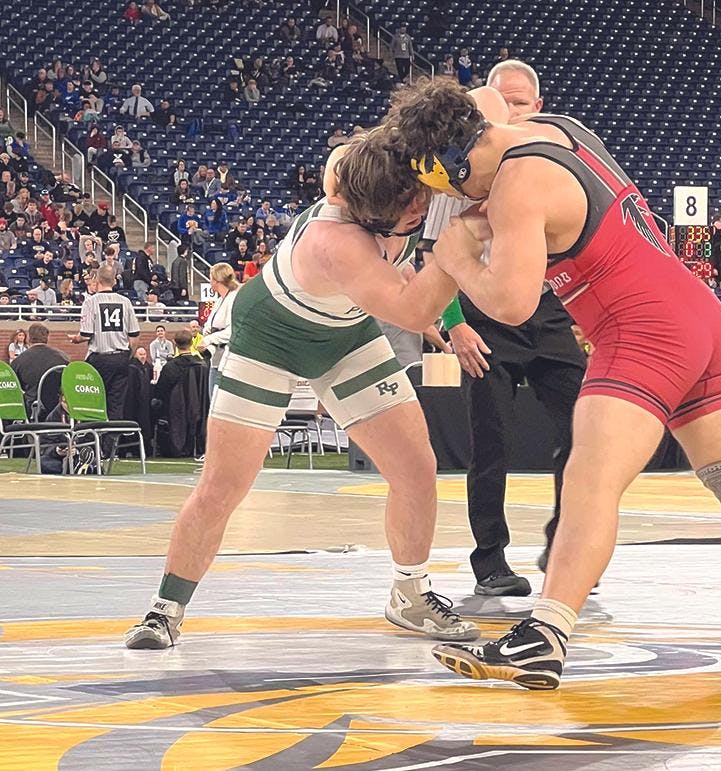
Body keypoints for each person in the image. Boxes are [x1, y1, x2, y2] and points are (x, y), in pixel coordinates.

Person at [353, 79, 721, 688]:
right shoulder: (556, 131)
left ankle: (545, 635)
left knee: (588, 482)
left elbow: (512, 304)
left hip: (643, 332)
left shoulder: (514, 189)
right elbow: (488, 114)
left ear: (453, 161)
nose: (459, 201)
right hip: (700, 319)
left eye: (450, 187)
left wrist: (456, 259)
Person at [122, 132, 479, 651]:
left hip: (345, 334)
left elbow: (356, 162)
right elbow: (414, 307)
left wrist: (454, 318)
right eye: (410, 207)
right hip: (269, 337)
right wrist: (459, 252)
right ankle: (165, 609)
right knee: (223, 487)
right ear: (373, 213)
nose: (422, 207)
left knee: (417, 468)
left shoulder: (366, 168)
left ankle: (410, 592)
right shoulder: (337, 243)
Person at [418, 60, 587, 595]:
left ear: (536, 108)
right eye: (499, 102)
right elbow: (435, 256)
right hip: (483, 313)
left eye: (518, 102)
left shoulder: (554, 162)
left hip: (549, 307)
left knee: (586, 428)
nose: (510, 111)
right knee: (490, 443)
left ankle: (566, 537)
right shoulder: (461, 175)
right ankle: (489, 559)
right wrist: (454, 326)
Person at [67, 265, 140, 425]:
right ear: (114, 281)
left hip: (99, 359)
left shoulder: (90, 302)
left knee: (93, 404)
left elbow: (85, 334)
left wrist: (75, 339)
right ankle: (110, 447)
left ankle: (91, 443)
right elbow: (134, 336)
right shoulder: (125, 302)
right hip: (121, 358)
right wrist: (127, 356)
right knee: (116, 406)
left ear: (97, 280)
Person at [198, 263, 240, 400]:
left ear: (216, 280)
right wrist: (207, 334)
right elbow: (208, 325)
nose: (209, 281)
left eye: (210, 278)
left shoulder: (234, 298)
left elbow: (232, 331)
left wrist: (209, 339)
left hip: (228, 360)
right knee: (212, 402)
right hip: (215, 359)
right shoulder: (219, 300)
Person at [11, 324, 69, 415]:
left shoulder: (19, 361)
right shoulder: (63, 358)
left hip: (32, 409)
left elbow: (14, 388)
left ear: (29, 338)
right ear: (47, 338)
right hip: (59, 410)